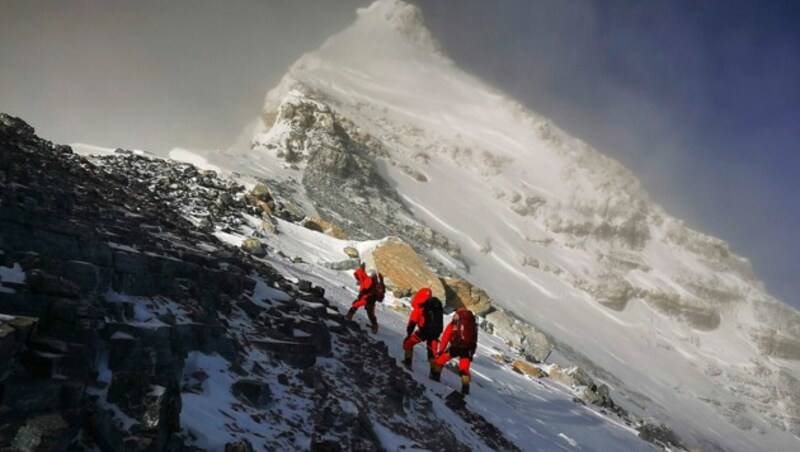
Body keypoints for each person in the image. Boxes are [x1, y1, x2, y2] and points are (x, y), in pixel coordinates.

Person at [432, 306, 478, 395]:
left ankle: (435, 377)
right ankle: (465, 389)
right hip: (467, 349)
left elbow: (446, 336)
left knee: (439, 361)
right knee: (464, 369)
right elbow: (474, 340)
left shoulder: (454, 323)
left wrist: (441, 350)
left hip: (455, 348)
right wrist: (471, 353)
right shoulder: (472, 324)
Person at [402, 288, 444, 379]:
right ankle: (434, 374)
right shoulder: (435, 306)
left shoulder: (420, 306)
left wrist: (409, 334)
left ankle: (407, 362)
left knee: (408, 343)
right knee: (432, 353)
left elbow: (412, 323)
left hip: (423, 332)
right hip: (435, 334)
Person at [345, 266, 382, 333]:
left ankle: (349, 316)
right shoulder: (372, 279)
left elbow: (365, 286)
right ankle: (374, 326)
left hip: (368, 298)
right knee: (369, 312)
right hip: (368, 298)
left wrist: (360, 281)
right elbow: (358, 275)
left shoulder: (371, 279)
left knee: (365, 310)